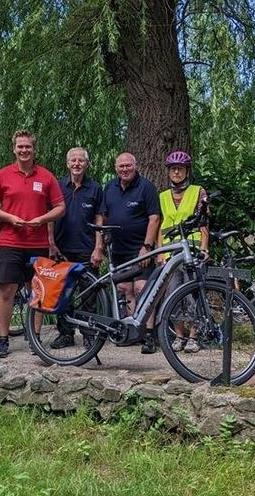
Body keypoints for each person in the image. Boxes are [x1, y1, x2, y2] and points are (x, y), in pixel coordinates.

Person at [0, 130, 65, 357]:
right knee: (6, 290)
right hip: (10, 242)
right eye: (20, 146)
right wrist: (9, 218)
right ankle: (2, 339)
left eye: (28, 146)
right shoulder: (3, 175)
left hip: (38, 243)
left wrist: (43, 219)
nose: (24, 150)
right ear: (14, 149)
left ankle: (34, 337)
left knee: (37, 291)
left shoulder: (46, 177)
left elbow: (60, 208)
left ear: (34, 149)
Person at [100, 152, 161, 354]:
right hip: (118, 251)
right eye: (121, 166)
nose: (124, 169)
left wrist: (148, 246)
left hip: (140, 250)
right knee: (125, 289)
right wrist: (101, 243)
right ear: (116, 168)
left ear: (135, 166)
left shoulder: (146, 187)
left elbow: (154, 218)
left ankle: (149, 334)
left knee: (143, 289)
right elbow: (103, 216)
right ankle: (133, 332)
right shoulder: (110, 187)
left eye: (128, 165)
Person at [47, 147, 104, 349]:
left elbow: (100, 219)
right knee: (63, 293)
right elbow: (50, 216)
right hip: (62, 250)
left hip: (87, 249)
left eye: (81, 160)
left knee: (89, 294)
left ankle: (89, 334)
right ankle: (65, 333)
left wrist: (99, 248)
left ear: (87, 164)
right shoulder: (57, 186)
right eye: (73, 160)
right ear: (68, 163)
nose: (77, 164)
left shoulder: (95, 188)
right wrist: (51, 243)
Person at [155, 150, 210, 354]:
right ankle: (179, 335)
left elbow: (205, 222)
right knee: (173, 294)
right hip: (171, 252)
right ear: (169, 172)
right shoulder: (162, 196)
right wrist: (160, 252)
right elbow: (161, 225)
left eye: (180, 169)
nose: (176, 172)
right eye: (173, 169)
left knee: (192, 294)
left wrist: (205, 248)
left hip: (192, 250)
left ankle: (194, 336)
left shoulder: (198, 192)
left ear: (187, 171)